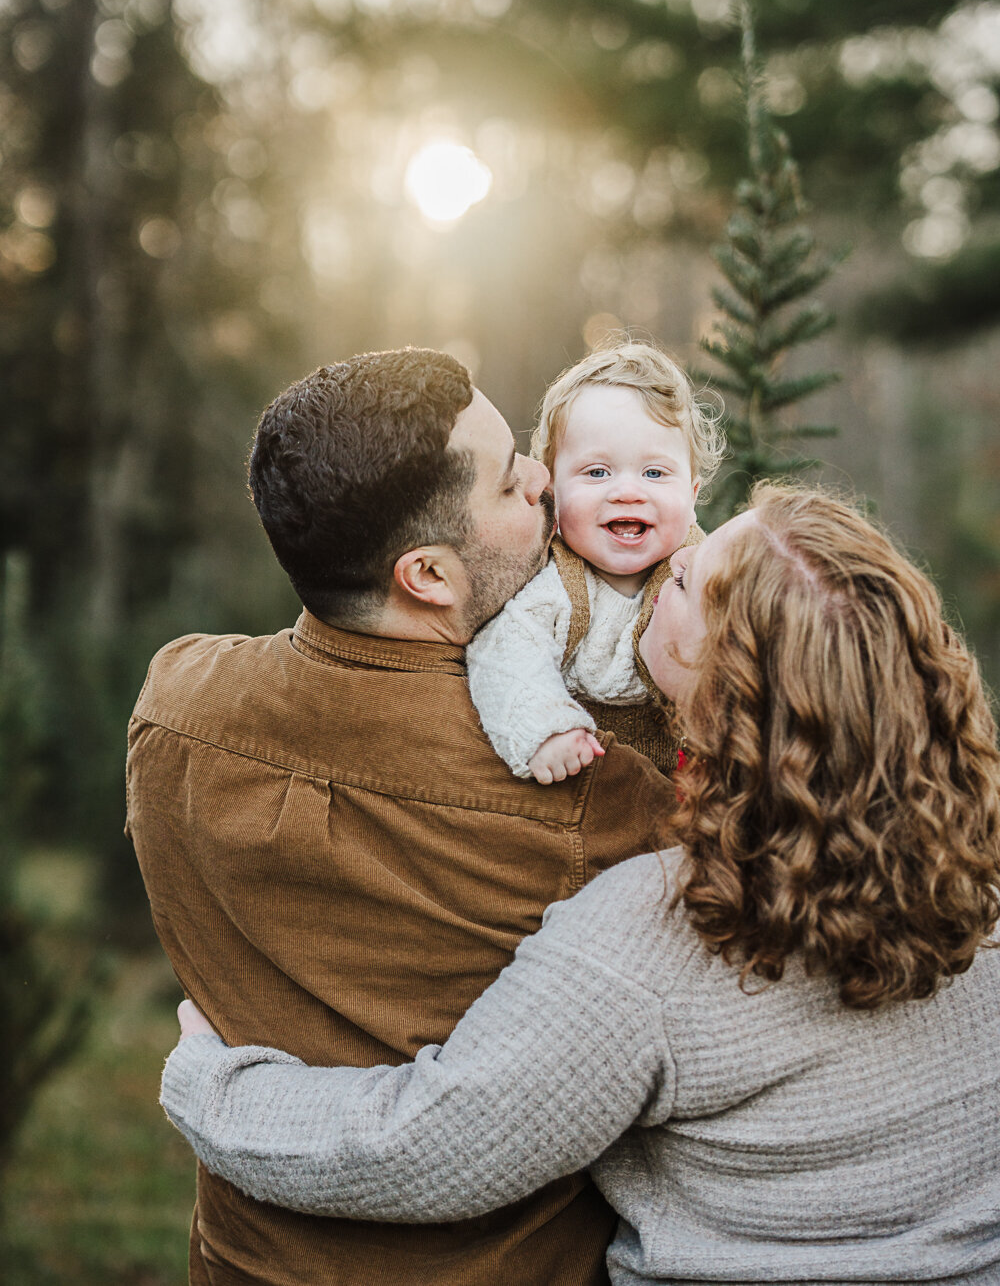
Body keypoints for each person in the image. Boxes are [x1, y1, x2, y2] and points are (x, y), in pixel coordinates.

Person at [161, 483, 1000, 1285]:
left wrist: (215, 1086)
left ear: (734, 684)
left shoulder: (659, 932)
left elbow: (432, 1146)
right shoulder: (980, 874)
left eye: (683, 582)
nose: (676, 551)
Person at [126, 347, 674, 1286]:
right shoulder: (586, 792)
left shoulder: (173, 705)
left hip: (241, 1261)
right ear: (427, 575)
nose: (547, 478)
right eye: (511, 483)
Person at [467, 342, 724, 783]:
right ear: (553, 488)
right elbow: (505, 652)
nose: (627, 491)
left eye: (655, 473)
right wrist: (547, 729)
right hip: (586, 788)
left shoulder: (707, 568)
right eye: (597, 472)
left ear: (693, 494)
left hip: (691, 788)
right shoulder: (552, 581)